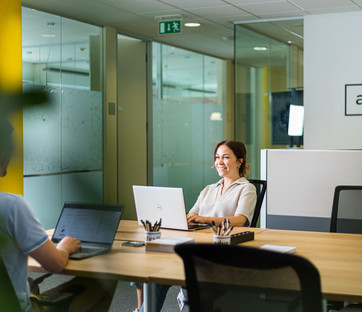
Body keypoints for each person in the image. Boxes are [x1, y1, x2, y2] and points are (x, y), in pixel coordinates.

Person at [0, 118, 116, 311]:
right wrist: (64, 246)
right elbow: (55, 263)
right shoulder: (12, 206)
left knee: (28, 281)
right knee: (102, 284)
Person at [133, 139, 257, 312]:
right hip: (196, 241)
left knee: (161, 273)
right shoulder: (209, 189)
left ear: (240, 160)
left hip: (220, 248)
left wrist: (205, 219)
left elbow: (240, 220)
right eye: (217, 157)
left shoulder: (246, 188)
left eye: (226, 157)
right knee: (154, 270)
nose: (219, 162)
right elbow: (192, 215)